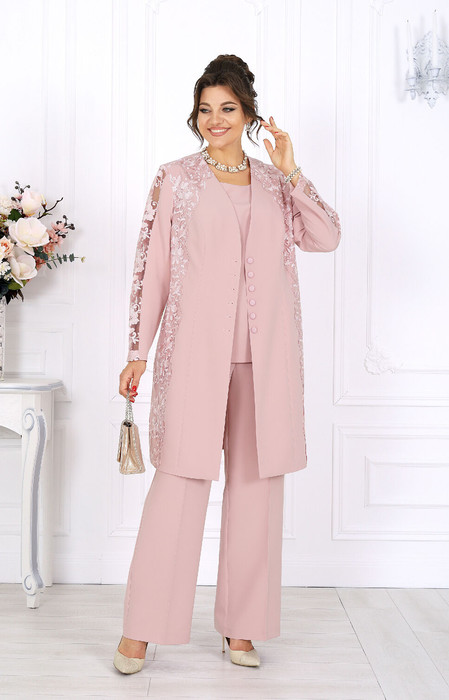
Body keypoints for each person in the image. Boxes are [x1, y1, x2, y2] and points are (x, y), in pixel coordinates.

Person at [113, 54, 341, 674]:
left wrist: (293, 170)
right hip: (193, 358)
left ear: (248, 114)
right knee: (179, 484)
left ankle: (243, 628)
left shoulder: (273, 182)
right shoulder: (175, 179)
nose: (215, 119)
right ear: (196, 116)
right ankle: (141, 629)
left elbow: (326, 237)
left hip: (266, 364)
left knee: (257, 492)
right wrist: (137, 351)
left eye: (228, 108)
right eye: (206, 109)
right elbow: (152, 269)